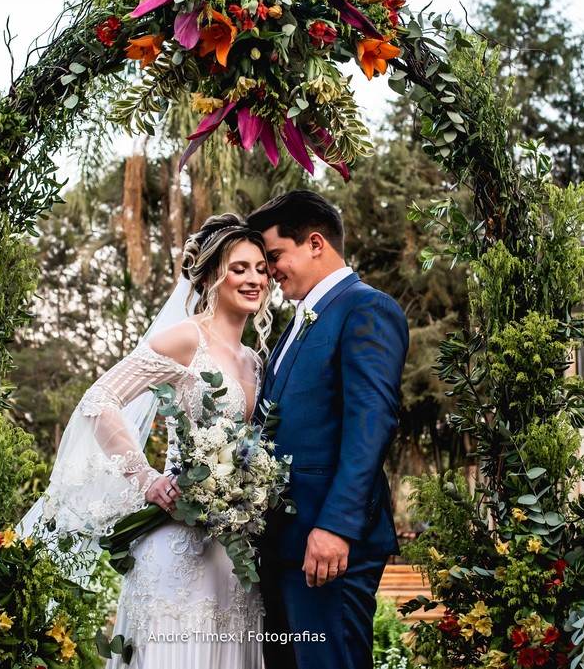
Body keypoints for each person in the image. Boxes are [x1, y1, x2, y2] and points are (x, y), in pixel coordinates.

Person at [26, 214, 273, 669]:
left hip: (234, 555)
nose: (254, 278)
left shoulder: (256, 360)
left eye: (261, 268)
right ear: (214, 274)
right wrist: (147, 479)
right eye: (240, 268)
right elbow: (100, 400)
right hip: (177, 547)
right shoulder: (185, 339)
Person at [248, 190, 408, 669]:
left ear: (315, 243)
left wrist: (336, 526)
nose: (269, 271)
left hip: (327, 546)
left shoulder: (366, 309)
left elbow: (371, 422)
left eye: (275, 256)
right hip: (284, 542)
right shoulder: (296, 323)